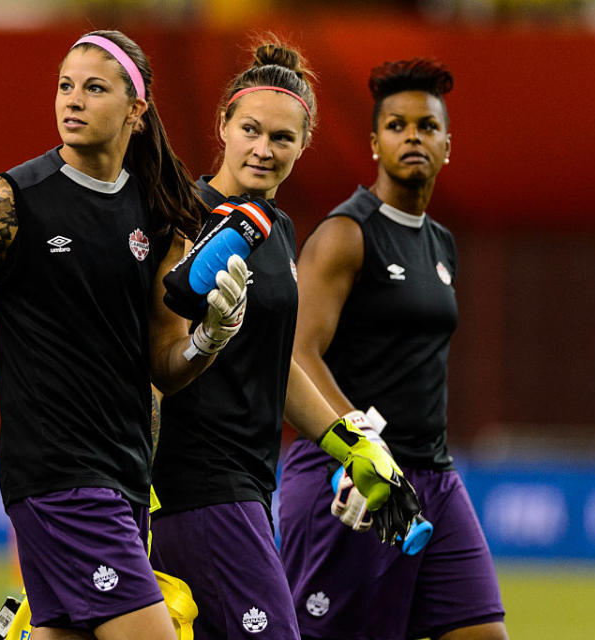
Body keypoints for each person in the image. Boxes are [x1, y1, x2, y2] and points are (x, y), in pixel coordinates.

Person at [0, 30, 251, 640]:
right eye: (66, 86)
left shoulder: (154, 210)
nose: (73, 99)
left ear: (136, 111)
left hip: (125, 480)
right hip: (58, 478)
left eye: (95, 88)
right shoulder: (7, 203)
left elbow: (161, 366)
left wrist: (210, 338)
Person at [149, 40, 417, 640]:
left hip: (246, 486)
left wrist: (351, 445)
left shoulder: (276, 228)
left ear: (304, 144)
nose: (263, 150)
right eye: (250, 130)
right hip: (196, 489)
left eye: (282, 138)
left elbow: (278, 363)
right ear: (222, 126)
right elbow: (151, 359)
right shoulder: (184, 217)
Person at [278, 58, 509, 640]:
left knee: (482, 629)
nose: (413, 136)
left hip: (432, 476)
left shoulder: (441, 244)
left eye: (427, 127)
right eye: (398, 126)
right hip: (347, 477)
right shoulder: (345, 235)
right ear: (374, 142)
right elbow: (296, 353)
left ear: (447, 146)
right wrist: (360, 446)